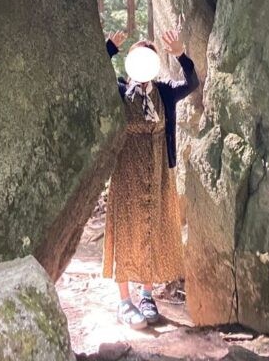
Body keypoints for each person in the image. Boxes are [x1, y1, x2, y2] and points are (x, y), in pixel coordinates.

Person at [102, 28, 199, 327]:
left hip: (158, 173)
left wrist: (181, 53)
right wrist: (108, 49)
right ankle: (124, 301)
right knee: (127, 229)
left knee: (151, 229)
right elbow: (94, 80)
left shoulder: (165, 92)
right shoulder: (119, 92)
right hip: (126, 173)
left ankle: (146, 296)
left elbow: (192, 82)